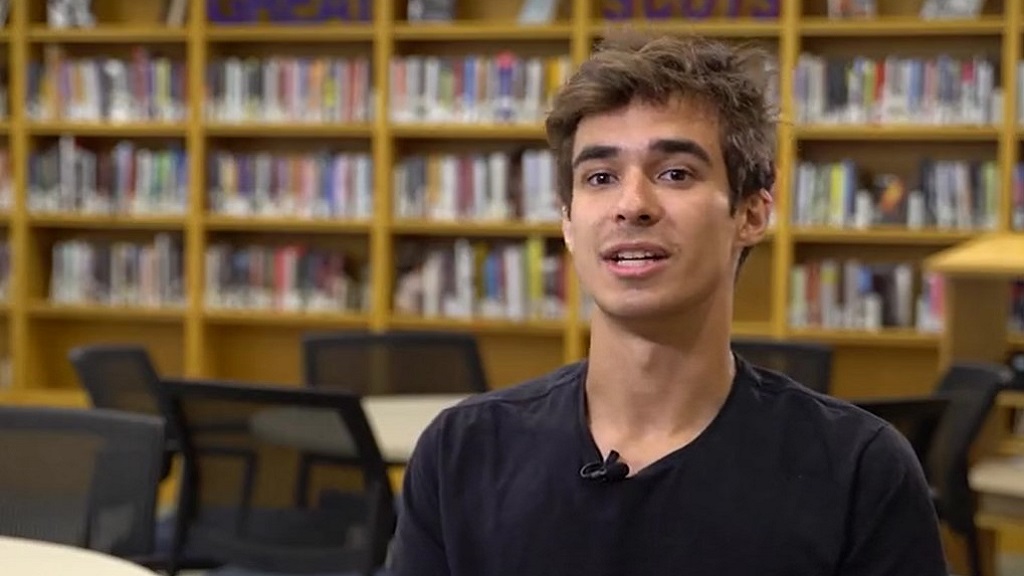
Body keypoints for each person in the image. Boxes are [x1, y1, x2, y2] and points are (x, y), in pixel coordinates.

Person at [387, 31, 949, 576]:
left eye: (675, 173)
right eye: (600, 177)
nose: (632, 204)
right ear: (567, 221)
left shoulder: (859, 472)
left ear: (751, 213)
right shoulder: (461, 454)